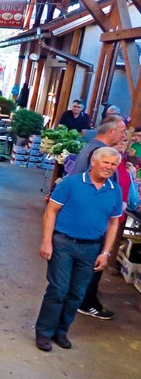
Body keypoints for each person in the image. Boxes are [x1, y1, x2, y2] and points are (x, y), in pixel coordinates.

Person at [33, 147, 123, 352]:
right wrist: (47, 241)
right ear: (93, 162)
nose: (109, 167)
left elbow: (113, 223)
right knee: (58, 289)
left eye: (113, 164)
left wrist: (106, 252)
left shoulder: (114, 190)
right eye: (106, 162)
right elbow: (51, 212)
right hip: (63, 243)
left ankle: (61, 332)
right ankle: (44, 332)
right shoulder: (71, 183)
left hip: (91, 248)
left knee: (76, 293)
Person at [68, 116, 127, 320]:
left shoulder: (93, 147)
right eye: (122, 130)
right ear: (111, 131)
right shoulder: (97, 152)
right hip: (92, 219)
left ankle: (81, 297)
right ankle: (86, 301)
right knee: (93, 262)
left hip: (87, 217)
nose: (123, 135)